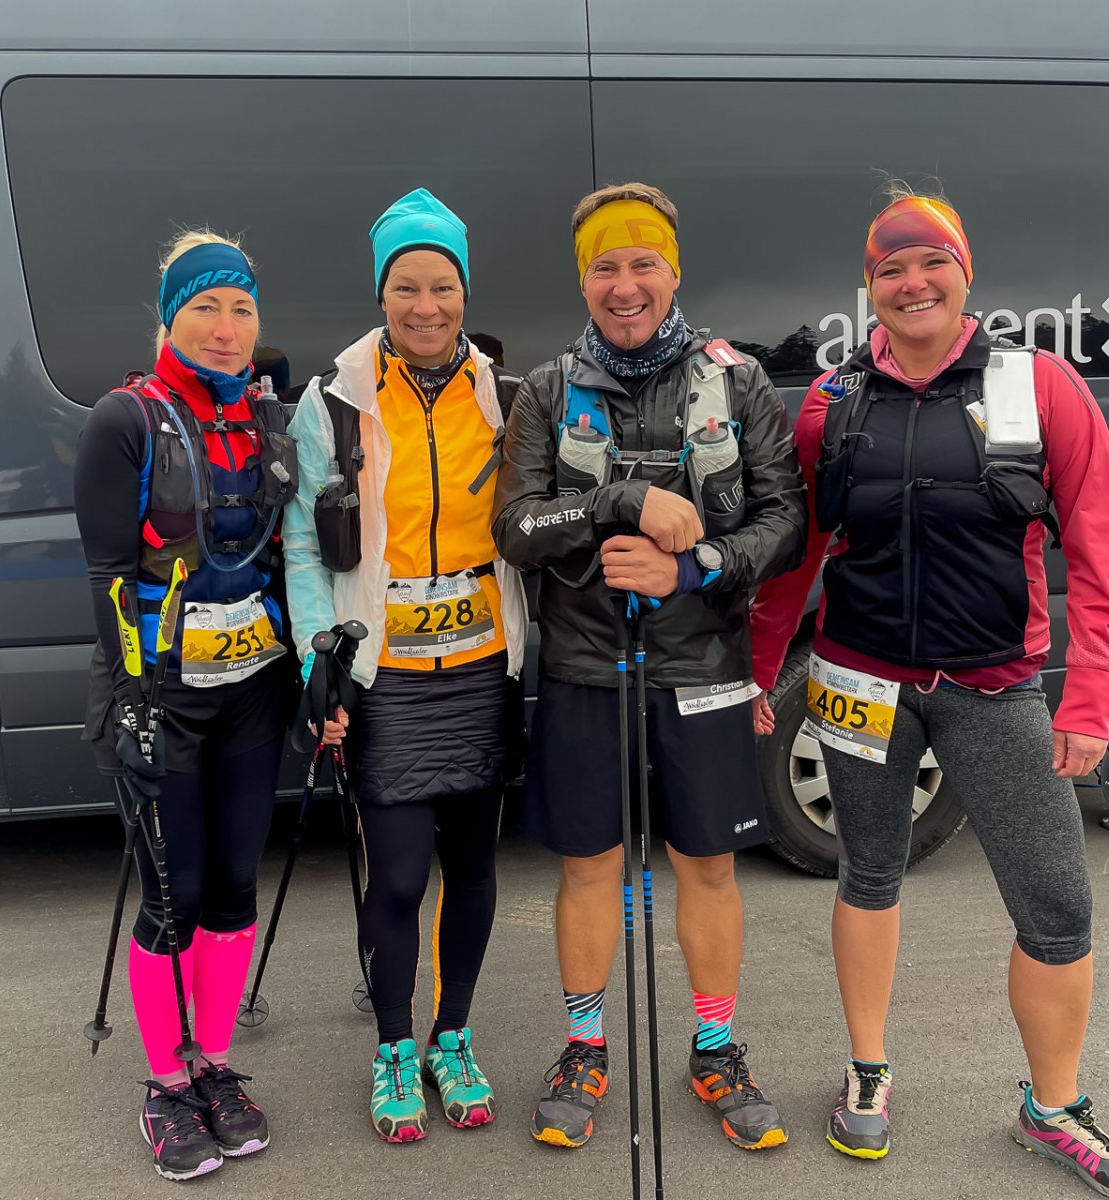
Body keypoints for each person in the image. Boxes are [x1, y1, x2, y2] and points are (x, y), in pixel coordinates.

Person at [749, 185, 1109, 1199]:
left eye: (931, 262)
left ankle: (1053, 1109)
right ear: (871, 288)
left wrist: (1089, 699)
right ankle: (867, 1070)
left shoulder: (1036, 385)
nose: (912, 283)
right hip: (858, 679)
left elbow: (1100, 548)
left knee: (1056, 903)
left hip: (994, 685)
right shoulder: (834, 401)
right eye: (890, 269)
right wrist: (761, 667)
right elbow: (799, 552)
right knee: (867, 874)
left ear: (964, 274)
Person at [491, 182, 807, 1153]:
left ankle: (714, 1049)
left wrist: (697, 564)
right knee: (590, 866)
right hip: (586, 669)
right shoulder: (548, 390)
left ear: (674, 272)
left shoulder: (737, 382)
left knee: (707, 865)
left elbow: (786, 522)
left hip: (703, 666)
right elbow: (515, 525)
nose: (624, 285)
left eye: (643, 264)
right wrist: (616, 503)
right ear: (582, 280)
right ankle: (585, 1047)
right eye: (605, 267)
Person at [284, 188, 528, 1144]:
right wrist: (319, 654)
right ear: (381, 294)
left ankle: (450, 1037)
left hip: (481, 662)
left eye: (442, 286)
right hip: (382, 670)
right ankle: (393, 1046)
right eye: (406, 287)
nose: (426, 306)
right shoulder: (335, 400)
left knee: (472, 866)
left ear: (465, 293)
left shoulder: (507, 396)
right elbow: (305, 543)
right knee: (395, 874)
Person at [74, 230, 298, 1182]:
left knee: (235, 888)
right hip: (160, 696)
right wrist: (130, 702)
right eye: (205, 306)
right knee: (174, 896)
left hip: (253, 692)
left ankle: (212, 1065)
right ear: (170, 317)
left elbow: (290, 559)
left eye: (241, 308)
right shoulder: (125, 419)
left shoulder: (269, 417)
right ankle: (166, 1084)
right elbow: (107, 575)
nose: (225, 325)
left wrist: (315, 672)